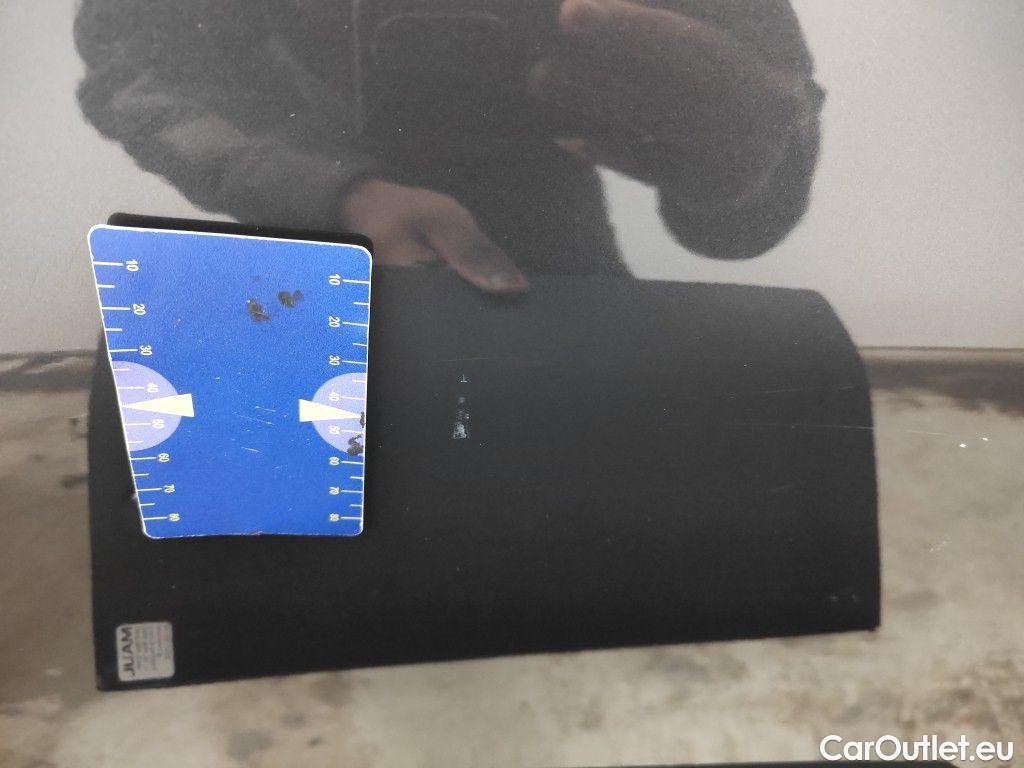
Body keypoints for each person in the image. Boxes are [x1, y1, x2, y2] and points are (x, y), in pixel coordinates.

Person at [75, 0, 823, 294]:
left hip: (544, 282)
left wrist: (757, 163)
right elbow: (131, 69)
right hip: (341, 274)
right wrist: (333, 193)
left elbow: (129, 73)